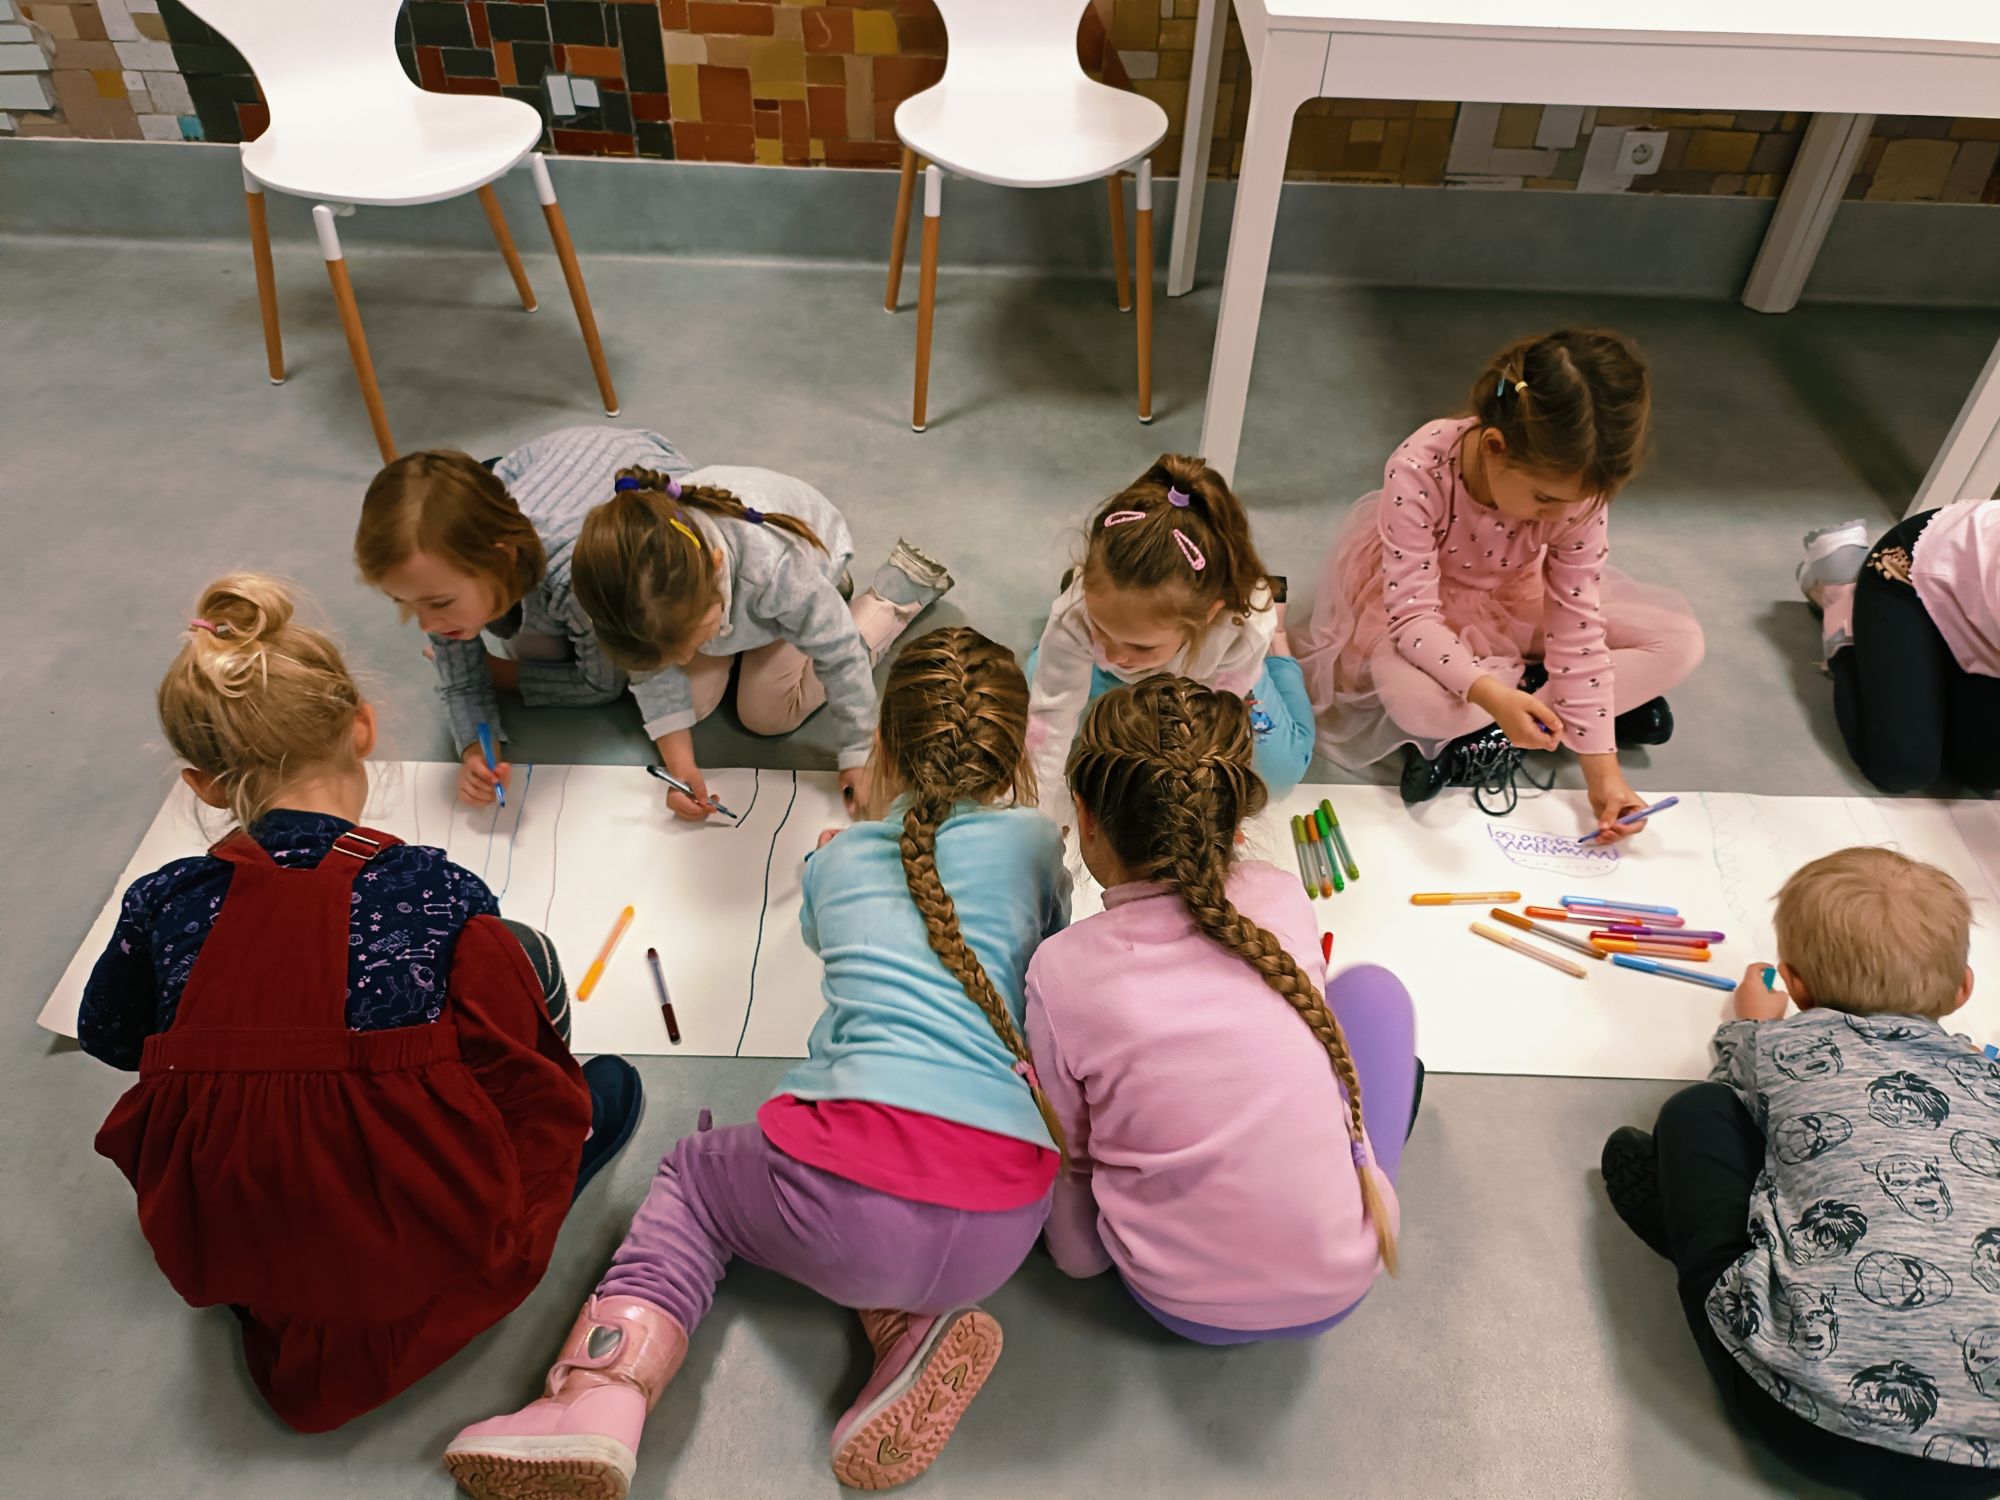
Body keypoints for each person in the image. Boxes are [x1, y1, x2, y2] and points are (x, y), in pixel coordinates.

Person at [444, 627, 1069, 1499]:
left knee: (696, 1180)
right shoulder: (1036, 843)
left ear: (881, 743)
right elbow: (1045, 936)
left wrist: (835, 854)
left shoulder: (841, 860)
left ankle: (600, 1390)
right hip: (1009, 1222)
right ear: (1016, 757)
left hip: (846, 1199)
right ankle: (905, 1333)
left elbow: (827, 923)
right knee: (889, 1218)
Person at [82, 574, 640, 1433]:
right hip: (413, 1245)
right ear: (363, 728)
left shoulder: (164, 899)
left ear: (201, 784)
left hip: (240, 1242)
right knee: (520, 961)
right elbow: (510, 1063)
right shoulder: (438, 890)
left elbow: (111, 1037)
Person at [1025, 676, 1416, 1342]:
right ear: (1236, 824)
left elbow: (1071, 1155)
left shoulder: (1061, 970)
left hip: (1172, 1300)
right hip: (1342, 1285)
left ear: (1085, 818)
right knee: (1376, 993)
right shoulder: (1282, 895)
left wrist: (1076, 1254)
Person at [1600, 847, 1999, 1498]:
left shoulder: (1776, 1044)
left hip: (1801, 1413)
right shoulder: (1991, 1077)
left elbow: (1732, 1076)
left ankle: (1697, 1238)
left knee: (1700, 1112)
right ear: (1963, 990)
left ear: (1796, 984)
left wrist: (1752, 1020)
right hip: (1988, 1461)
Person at [355, 425, 951, 817]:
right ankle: (711, 638)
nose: (424, 621)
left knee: (766, 712)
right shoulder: (637, 582)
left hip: (801, 572)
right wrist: (683, 768)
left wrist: (857, 751)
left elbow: (838, 651)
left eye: (436, 604)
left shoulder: (778, 574)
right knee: (691, 701)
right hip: (701, 591)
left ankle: (888, 599)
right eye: (408, 604)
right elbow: (647, 666)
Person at [1295, 328, 1703, 829]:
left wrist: (1604, 775)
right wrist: (1490, 694)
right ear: (1493, 446)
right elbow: (1413, 621)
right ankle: (1564, 704)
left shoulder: (1576, 499)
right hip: (1419, 611)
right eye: (1544, 499)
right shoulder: (1420, 468)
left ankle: (1514, 718)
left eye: (1575, 504)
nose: (1560, 517)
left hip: (1514, 597)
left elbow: (1576, 632)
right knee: (1422, 707)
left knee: (1679, 641)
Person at [1026, 452, 1308, 831]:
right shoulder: (1075, 615)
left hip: (1216, 678)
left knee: (1278, 777)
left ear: (1207, 615)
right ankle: (1078, 642)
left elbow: (1210, 723)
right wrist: (1039, 824)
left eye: (1140, 646)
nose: (1113, 653)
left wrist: (1205, 808)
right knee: (1038, 724)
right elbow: (1049, 724)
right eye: (1101, 628)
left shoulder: (1244, 628)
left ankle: (1280, 648)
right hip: (1098, 669)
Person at [1795, 501, 2000, 793]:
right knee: (1903, 766)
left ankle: (1930, 664)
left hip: (1982, 619)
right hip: (1911, 573)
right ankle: (1845, 596)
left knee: (1983, 772)